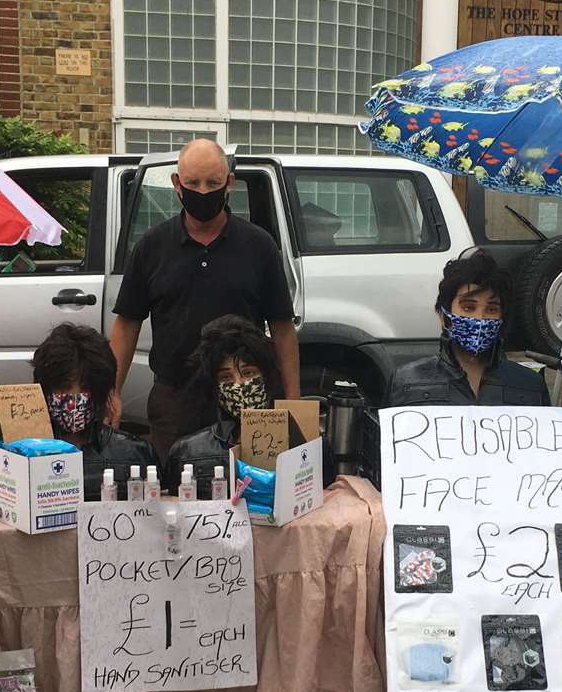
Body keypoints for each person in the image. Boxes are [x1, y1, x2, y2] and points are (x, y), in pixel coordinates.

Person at [108, 139, 300, 457]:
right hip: (174, 401)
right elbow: (126, 325)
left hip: (244, 398)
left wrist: (291, 399)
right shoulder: (152, 247)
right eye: (193, 183)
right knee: (174, 491)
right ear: (176, 185)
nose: (203, 191)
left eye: (212, 183)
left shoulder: (259, 246)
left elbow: (282, 328)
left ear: (229, 184)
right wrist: (111, 392)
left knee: (253, 493)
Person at [166, 315, 336, 498]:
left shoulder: (309, 442)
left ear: (266, 376)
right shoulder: (188, 452)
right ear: (215, 387)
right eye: (226, 378)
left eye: (248, 373)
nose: (239, 384)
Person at [385, 250, 547, 407]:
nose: (480, 318)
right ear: (444, 317)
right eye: (468, 308)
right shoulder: (406, 382)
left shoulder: (530, 385)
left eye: (491, 309)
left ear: (502, 318)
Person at [32, 323, 160, 500]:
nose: (73, 398)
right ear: (45, 391)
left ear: (102, 390)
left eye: (84, 388)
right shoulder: (27, 453)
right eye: (63, 388)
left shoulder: (134, 454)